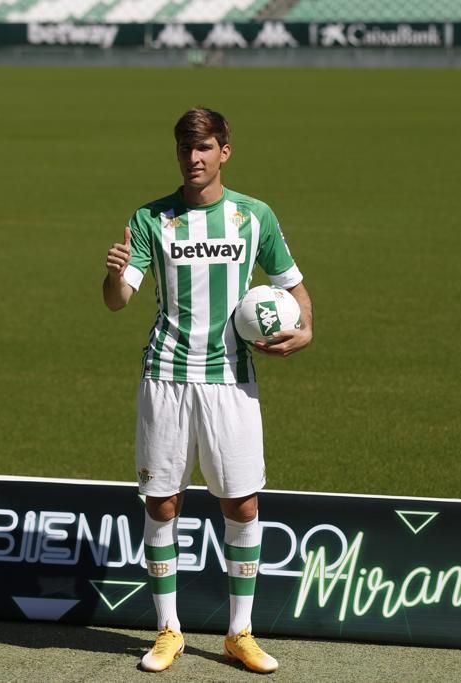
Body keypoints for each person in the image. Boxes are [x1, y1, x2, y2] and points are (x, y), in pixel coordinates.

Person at [102, 107, 313, 673]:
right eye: (184, 148)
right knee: (162, 501)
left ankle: (239, 632)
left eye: (203, 148)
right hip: (166, 377)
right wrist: (114, 274)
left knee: (242, 503)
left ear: (225, 151)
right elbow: (118, 299)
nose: (193, 159)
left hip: (231, 380)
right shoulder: (151, 218)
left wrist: (307, 329)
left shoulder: (254, 216)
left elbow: (292, 284)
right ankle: (167, 629)